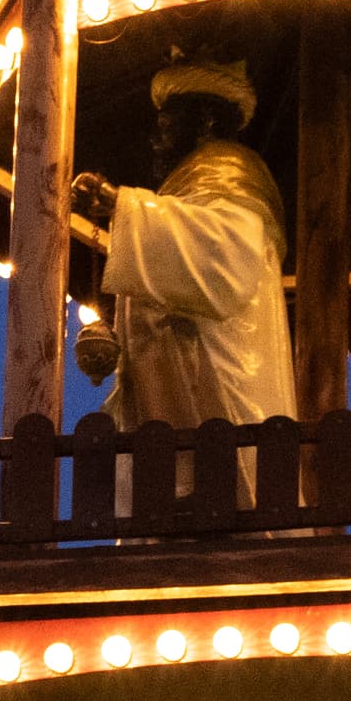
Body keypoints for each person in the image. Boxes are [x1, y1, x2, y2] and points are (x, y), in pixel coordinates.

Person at [69, 59, 295, 431]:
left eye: (166, 126)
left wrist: (121, 203)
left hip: (221, 389)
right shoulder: (186, 188)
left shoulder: (232, 173)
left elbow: (224, 261)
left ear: (204, 121)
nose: (155, 141)